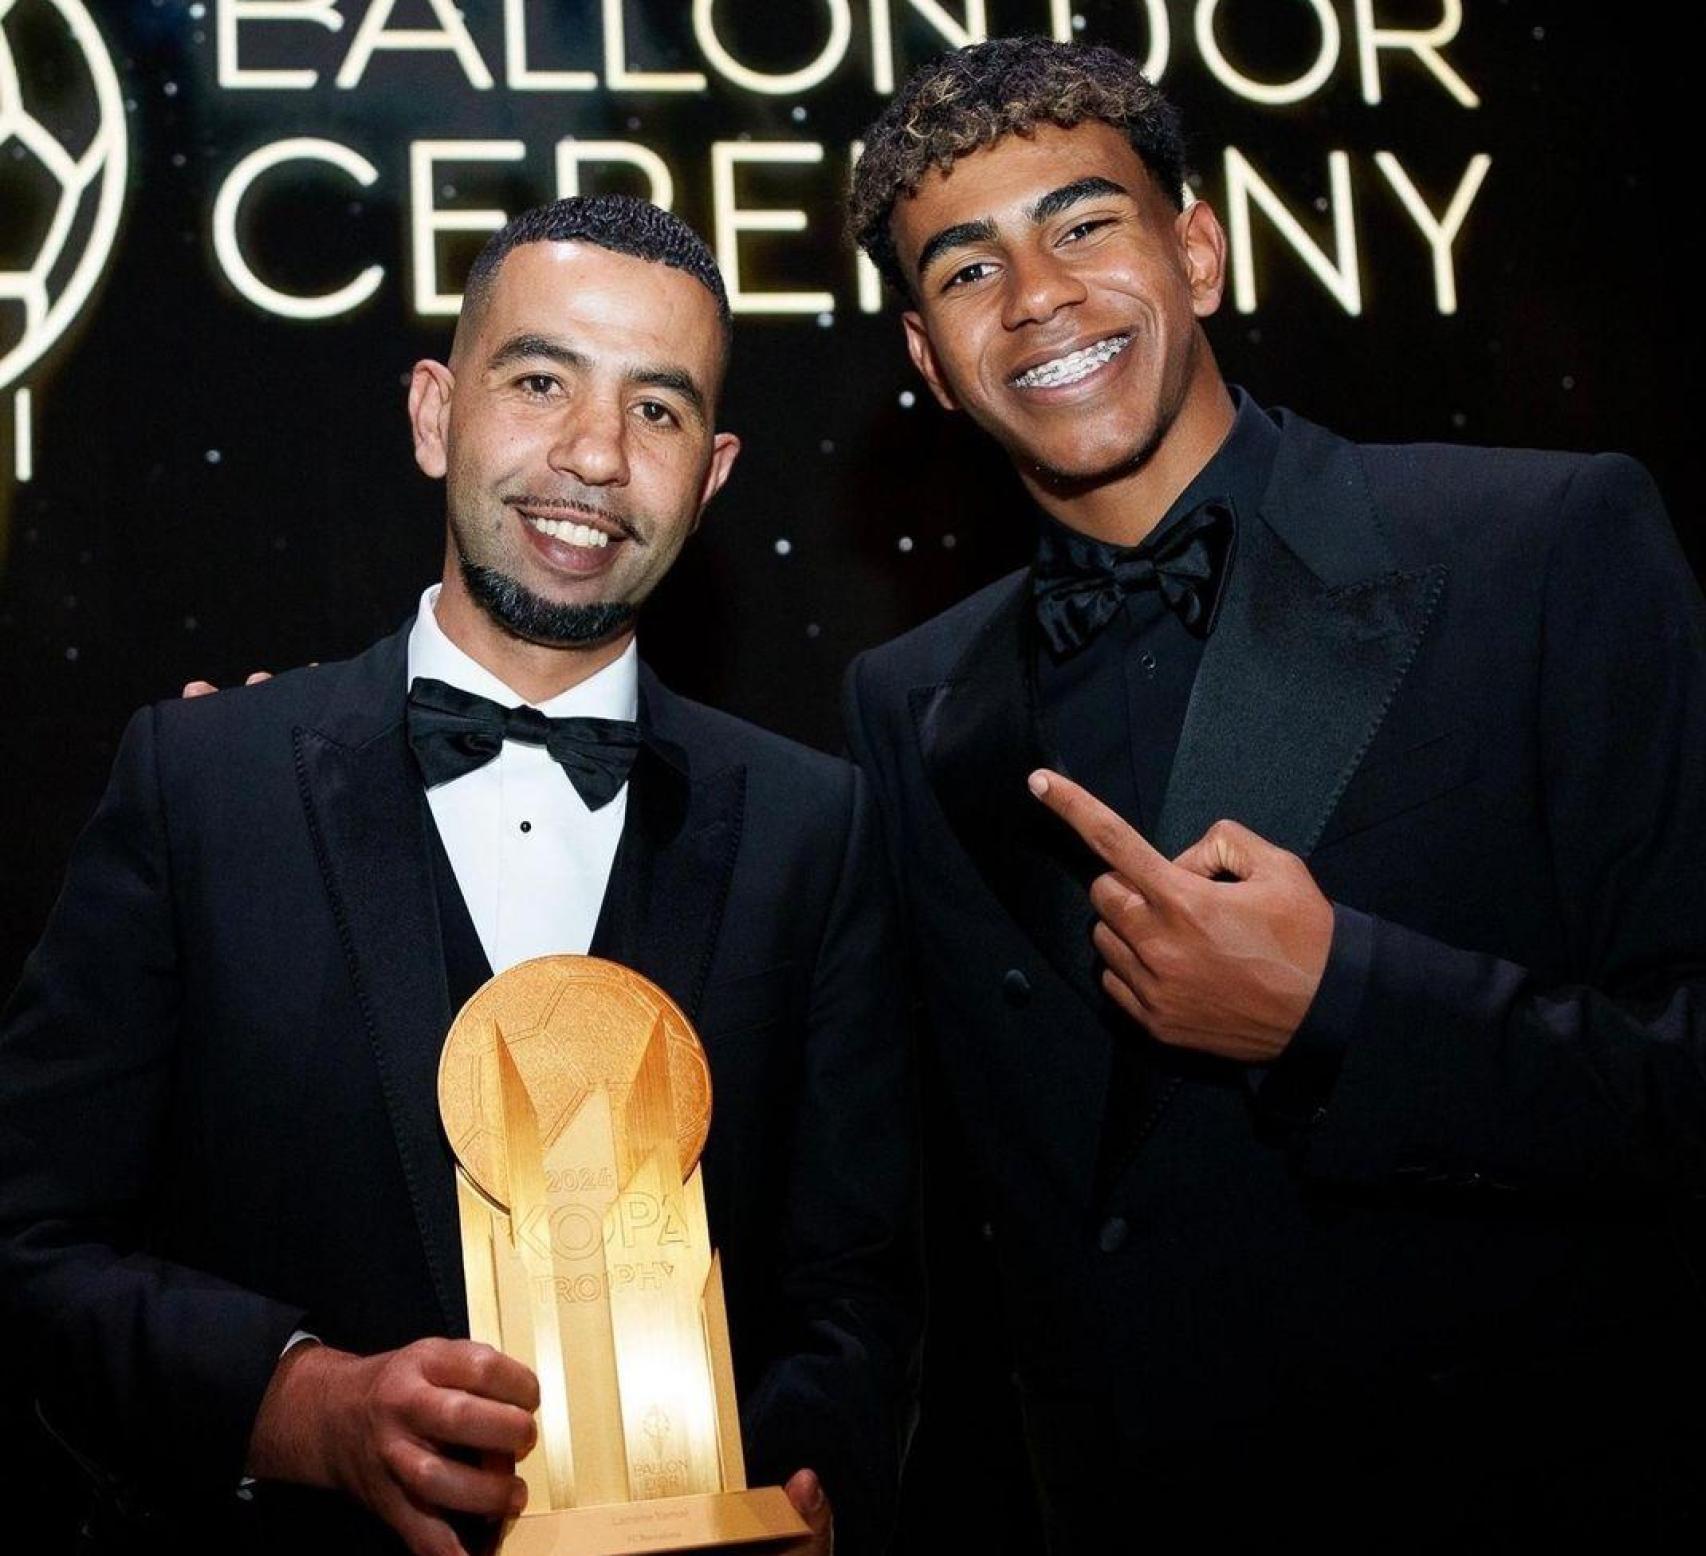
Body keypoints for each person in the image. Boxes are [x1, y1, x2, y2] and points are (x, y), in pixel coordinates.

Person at [841, 36, 1706, 1549]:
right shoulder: (908, 698)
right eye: (966, 271)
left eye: (1083, 223)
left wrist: (1342, 1006)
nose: (1036, 293)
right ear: (926, 359)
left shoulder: (1541, 545)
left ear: (1196, 251)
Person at [0, 196, 916, 1556]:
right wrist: (293, 1403)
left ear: (712, 477)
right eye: (540, 381)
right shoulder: (200, 782)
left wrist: (797, 1479)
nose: (596, 455)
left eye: (656, 413)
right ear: (435, 415)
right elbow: (30, 1240)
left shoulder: (814, 827)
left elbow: (862, 1287)